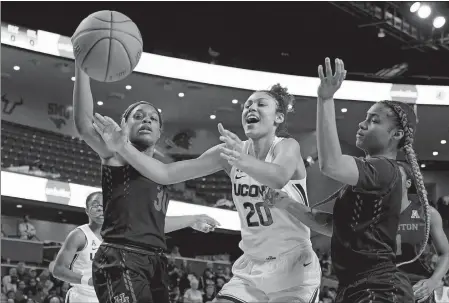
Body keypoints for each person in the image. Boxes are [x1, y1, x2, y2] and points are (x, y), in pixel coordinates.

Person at [93, 83, 321, 303]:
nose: (251, 108)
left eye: (261, 104)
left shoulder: (286, 146)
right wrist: (122, 146)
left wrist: (241, 159)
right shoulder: (230, 153)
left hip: (293, 263)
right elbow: (166, 173)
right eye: (247, 105)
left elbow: (277, 177)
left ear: (278, 117)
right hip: (253, 266)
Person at [267, 58, 431, 302]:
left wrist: (325, 99)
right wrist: (287, 204)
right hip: (360, 287)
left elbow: (330, 164)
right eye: (366, 117)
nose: (363, 124)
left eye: (375, 120)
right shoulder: (372, 173)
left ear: (396, 135)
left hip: (379, 289)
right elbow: (335, 227)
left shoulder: (384, 169)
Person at [73, 66, 220, 303]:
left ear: (159, 132)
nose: (146, 121)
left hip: (155, 261)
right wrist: (83, 69)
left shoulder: (161, 173)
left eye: (153, 119)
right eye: (138, 116)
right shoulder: (116, 156)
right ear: (124, 124)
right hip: (120, 257)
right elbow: (82, 123)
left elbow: (153, 225)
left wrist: (192, 219)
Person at [396, 163, 449, 303]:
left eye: (397, 175)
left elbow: (445, 255)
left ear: (408, 183)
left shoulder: (427, 213)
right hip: (383, 287)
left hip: (418, 288)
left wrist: (432, 282)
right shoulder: (373, 214)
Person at [49, 192, 104, 303]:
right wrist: (87, 280)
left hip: (107, 296)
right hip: (82, 296)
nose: (100, 209)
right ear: (87, 210)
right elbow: (58, 270)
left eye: (104, 205)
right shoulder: (78, 235)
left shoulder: (116, 236)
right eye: (96, 205)